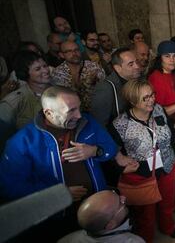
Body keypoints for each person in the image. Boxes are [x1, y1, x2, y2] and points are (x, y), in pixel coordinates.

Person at [0, 86, 118, 241]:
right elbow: (10, 187)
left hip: (96, 209)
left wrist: (95, 151)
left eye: (79, 108)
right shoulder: (21, 142)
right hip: (56, 217)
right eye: (71, 111)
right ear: (49, 113)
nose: (79, 115)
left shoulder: (88, 123)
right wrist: (57, 194)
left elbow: (111, 147)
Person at [111, 80, 175, 242]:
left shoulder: (158, 110)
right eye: (145, 98)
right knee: (146, 211)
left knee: (168, 201)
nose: (151, 100)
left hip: (167, 165)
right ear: (132, 101)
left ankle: (168, 226)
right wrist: (122, 167)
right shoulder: (120, 125)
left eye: (152, 95)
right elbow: (113, 154)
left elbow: (169, 131)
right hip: (142, 174)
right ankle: (146, 237)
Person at [58, 190, 145, 243]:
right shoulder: (134, 241)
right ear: (110, 225)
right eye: (120, 203)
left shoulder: (67, 239)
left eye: (115, 193)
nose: (124, 198)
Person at [0, 51, 51, 132]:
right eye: (38, 69)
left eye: (45, 66)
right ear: (25, 73)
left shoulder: (58, 90)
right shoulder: (15, 101)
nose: (45, 71)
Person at [91, 48, 141, 128]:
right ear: (118, 68)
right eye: (131, 64)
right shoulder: (105, 89)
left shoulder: (138, 81)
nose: (137, 66)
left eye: (137, 62)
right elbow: (100, 124)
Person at [52, 41, 105, 112]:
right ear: (61, 55)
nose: (74, 54)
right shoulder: (58, 73)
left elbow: (105, 88)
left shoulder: (93, 67)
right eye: (69, 51)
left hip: (98, 109)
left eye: (76, 50)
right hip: (73, 113)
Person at [148, 40, 175, 124]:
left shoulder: (173, 75)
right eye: (167, 56)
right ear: (160, 58)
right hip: (167, 126)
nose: (172, 60)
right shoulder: (156, 78)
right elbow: (154, 112)